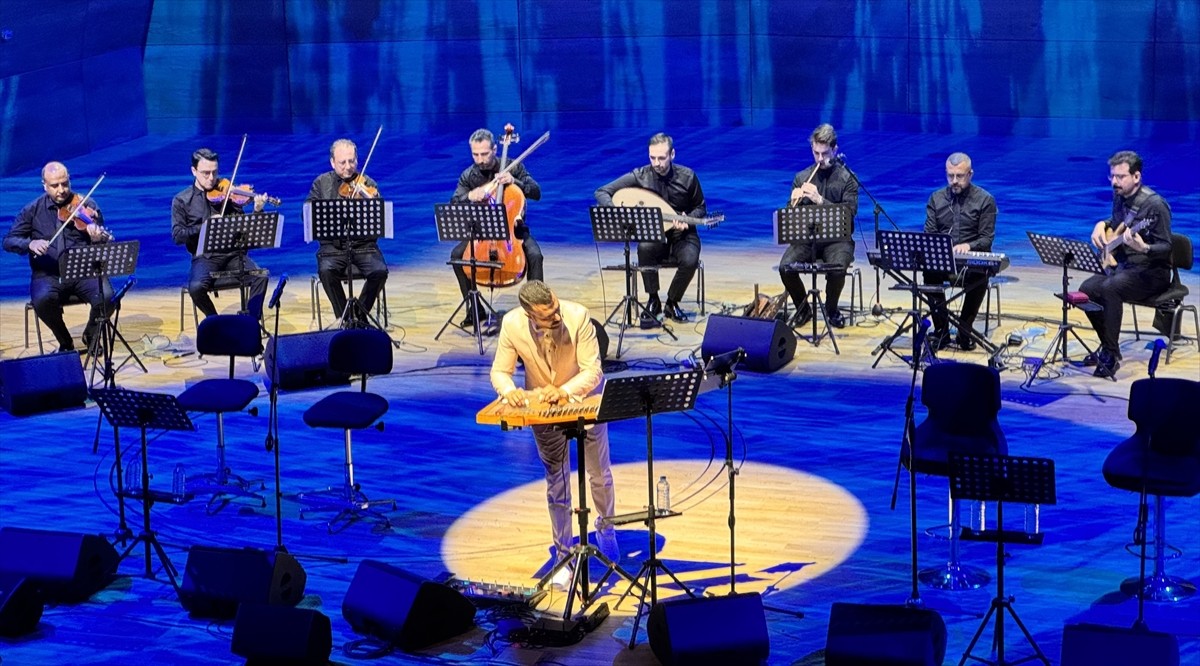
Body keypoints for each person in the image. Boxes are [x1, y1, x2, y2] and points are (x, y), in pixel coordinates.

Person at [489, 280, 619, 584]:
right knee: (556, 482)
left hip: (585, 400)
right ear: (530, 315)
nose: (557, 317)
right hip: (543, 408)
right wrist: (509, 391)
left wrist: (564, 391)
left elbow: (593, 370)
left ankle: (607, 527)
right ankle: (563, 556)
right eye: (548, 316)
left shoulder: (578, 316)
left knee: (599, 473)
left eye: (556, 308)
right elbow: (500, 371)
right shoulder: (512, 324)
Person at [595, 132, 706, 326]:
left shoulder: (688, 177)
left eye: (661, 158)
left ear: (672, 154)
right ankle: (653, 299)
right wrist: (618, 213)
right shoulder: (640, 175)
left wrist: (687, 220)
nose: (656, 163)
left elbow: (701, 208)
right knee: (644, 248)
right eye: (652, 158)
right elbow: (602, 192)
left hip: (683, 234)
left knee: (690, 259)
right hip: (655, 233)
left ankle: (672, 302)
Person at [1079, 151, 1173, 379]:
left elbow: (1167, 247)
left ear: (1136, 177)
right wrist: (1101, 224)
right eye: (1112, 176)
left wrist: (1145, 248)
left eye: (1120, 177)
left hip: (1152, 273)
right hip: (1125, 268)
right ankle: (1107, 344)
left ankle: (1110, 355)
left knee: (1110, 288)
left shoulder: (1156, 206)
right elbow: (1117, 223)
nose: (1114, 182)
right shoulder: (1119, 196)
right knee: (1086, 290)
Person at [4, 162, 114, 352]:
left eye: (65, 183)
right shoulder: (33, 210)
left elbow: (101, 248)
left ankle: (91, 334)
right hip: (48, 274)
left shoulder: (87, 205)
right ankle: (65, 341)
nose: (61, 190)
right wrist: (30, 244)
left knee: (108, 297)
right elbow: (8, 241)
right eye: (55, 186)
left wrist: (97, 239)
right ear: (44, 185)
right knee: (42, 300)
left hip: (83, 272)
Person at [449, 128, 543, 327]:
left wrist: (514, 181)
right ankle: (474, 309)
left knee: (535, 255)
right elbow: (455, 202)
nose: (480, 159)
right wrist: (470, 196)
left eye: (485, 154)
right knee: (457, 256)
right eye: (475, 154)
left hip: (512, 231)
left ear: (494, 149)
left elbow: (536, 192)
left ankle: (536, 311)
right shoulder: (469, 175)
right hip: (481, 233)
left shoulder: (512, 167)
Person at [171, 148, 270, 321]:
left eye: (214, 172)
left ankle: (251, 323)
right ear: (194, 171)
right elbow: (178, 235)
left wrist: (257, 211)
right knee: (196, 288)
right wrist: (205, 226)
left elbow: (245, 229)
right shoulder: (182, 200)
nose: (211, 178)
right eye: (206, 173)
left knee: (260, 276)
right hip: (205, 257)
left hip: (233, 255)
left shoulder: (229, 194)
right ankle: (215, 322)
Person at [778, 123, 858, 329]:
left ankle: (831, 310)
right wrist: (792, 204)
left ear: (835, 150)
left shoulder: (847, 179)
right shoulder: (801, 178)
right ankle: (803, 309)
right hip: (808, 239)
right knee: (785, 267)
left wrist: (819, 200)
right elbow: (790, 220)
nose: (820, 159)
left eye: (825, 153)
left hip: (838, 240)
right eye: (816, 153)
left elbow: (849, 215)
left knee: (838, 268)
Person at [307, 139, 389, 324]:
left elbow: (381, 219)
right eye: (342, 162)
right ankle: (345, 317)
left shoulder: (367, 183)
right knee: (326, 271)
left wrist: (373, 201)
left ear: (357, 160)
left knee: (380, 271)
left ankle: (359, 314)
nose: (348, 167)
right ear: (332, 162)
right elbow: (308, 214)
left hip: (363, 245)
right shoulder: (321, 183)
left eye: (351, 161)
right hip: (333, 247)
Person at [922, 152, 997, 351]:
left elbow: (986, 239)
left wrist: (968, 246)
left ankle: (965, 331)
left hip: (971, 264)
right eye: (950, 176)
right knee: (929, 273)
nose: (954, 181)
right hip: (944, 262)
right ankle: (942, 331)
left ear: (970, 174)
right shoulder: (936, 198)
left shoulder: (985, 200)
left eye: (960, 176)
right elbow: (929, 233)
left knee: (980, 277)